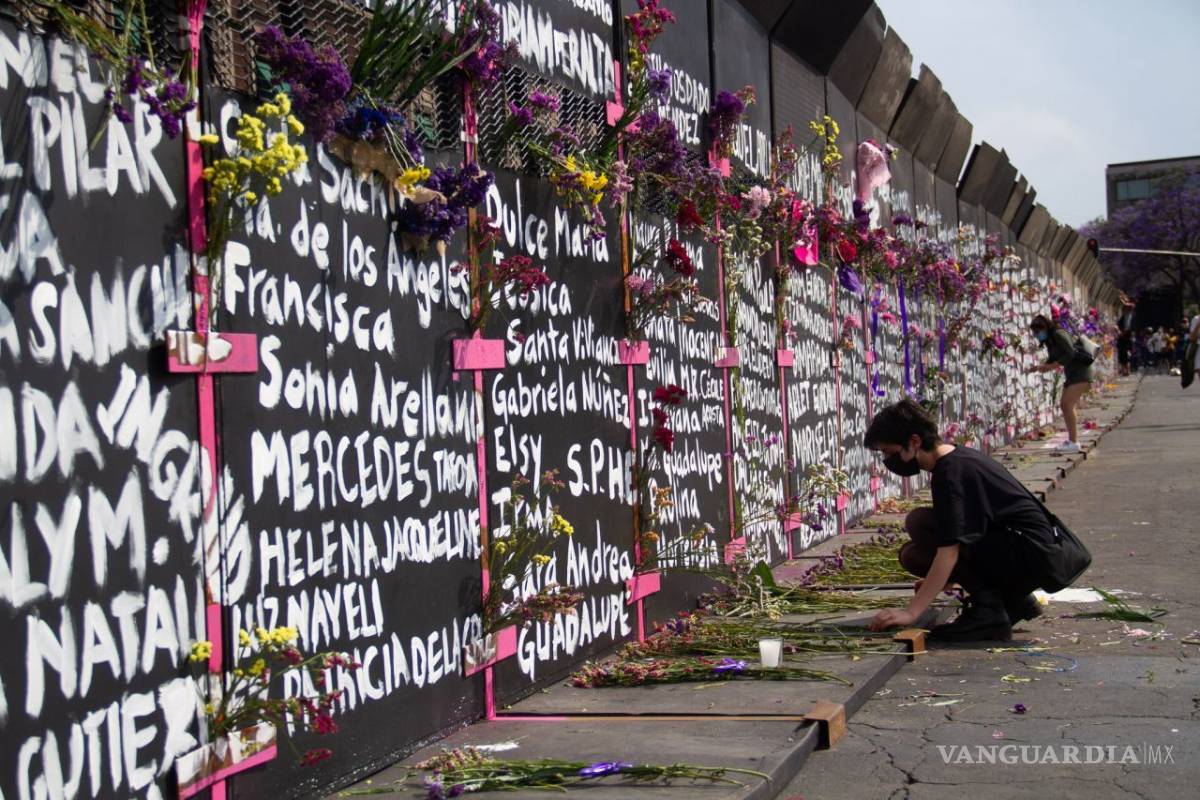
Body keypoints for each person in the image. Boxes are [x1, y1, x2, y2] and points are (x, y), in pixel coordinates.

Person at [863, 399, 1056, 642]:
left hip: (1033, 557)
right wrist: (947, 579)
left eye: (889, 453)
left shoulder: (951, 474)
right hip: (1027, 550)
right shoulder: (956, 459)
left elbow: (949, 551)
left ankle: (990, 613)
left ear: (913, 442)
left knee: (918, 537)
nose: (888, 461)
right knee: (918, 532)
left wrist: (911, 612)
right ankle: (1012, 600)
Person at [1026, 314, 1091, 453]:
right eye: (1034, 333)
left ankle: (1074, 442)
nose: (1037, 335)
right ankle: (1072, 440)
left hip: (1080, 373)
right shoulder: (1051, 340)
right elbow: (1054, 358)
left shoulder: (1058, 335)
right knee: (1066, 405)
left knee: (1067, 405)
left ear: (1045, 328)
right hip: (1072, 374)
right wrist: (1039, 367)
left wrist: (1049, 367)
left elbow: (1070, 353)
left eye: (1038, 332)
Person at [1116, 299, 1136, 376]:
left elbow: (1127, 328)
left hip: (1125, 339)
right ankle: (1126, 370)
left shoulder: (1129, 316)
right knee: (1124, 355)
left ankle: (1126, 370)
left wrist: (1121, 333)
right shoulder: (1126, 316)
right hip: (1125, 339)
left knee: (1125, 356)